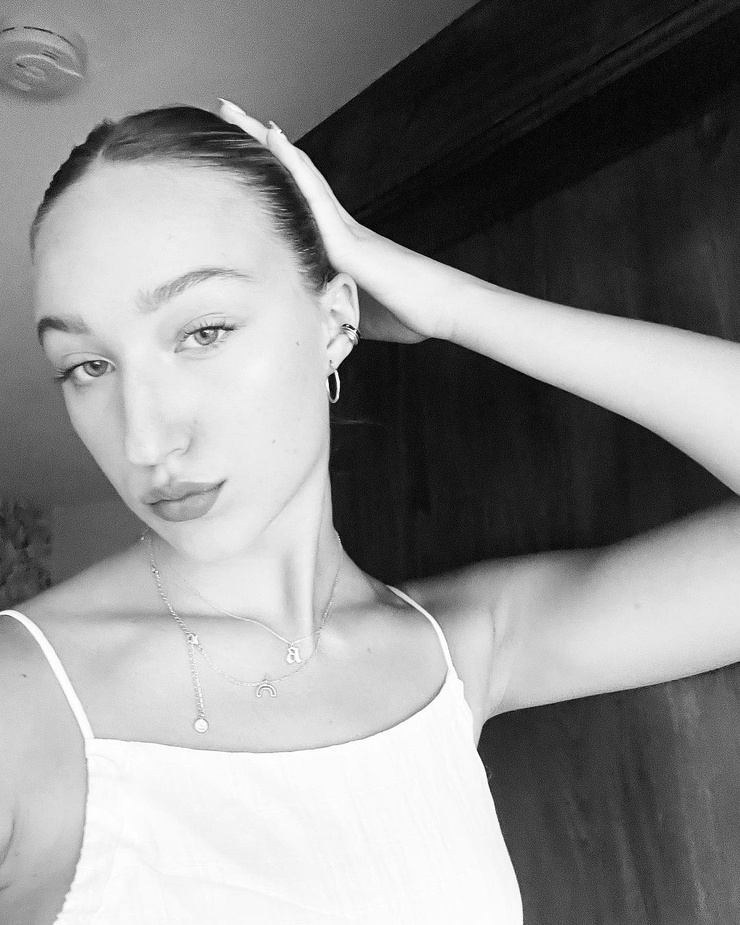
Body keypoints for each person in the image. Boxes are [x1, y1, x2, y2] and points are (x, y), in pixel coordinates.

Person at [1, 98, 739, 925]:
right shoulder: (18, 700)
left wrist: (448, 304)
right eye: (87, 365)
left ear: (334, 321)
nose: (144, 439)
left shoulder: (457, 652)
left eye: (203, 330)